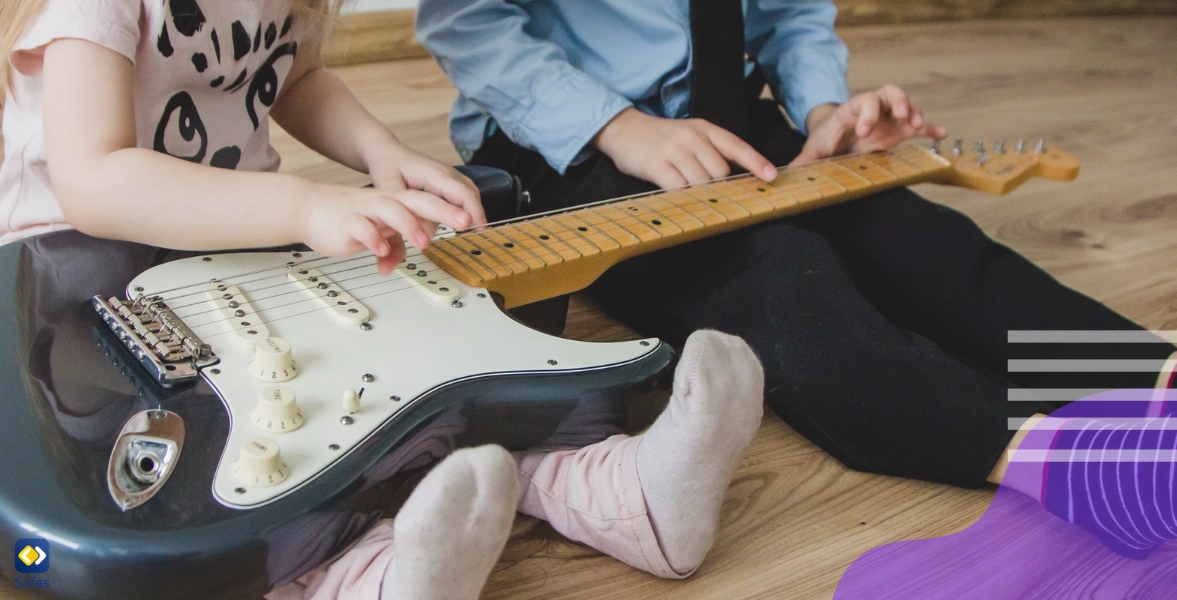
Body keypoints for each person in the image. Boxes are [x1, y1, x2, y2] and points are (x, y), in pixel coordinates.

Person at [0, 1, 768, 598]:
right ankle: (368, 579)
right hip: (84, 297)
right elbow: (92, 177)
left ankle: (628, 496)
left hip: (231, 260)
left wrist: (381, 153)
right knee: (256, 467)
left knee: (408, 368)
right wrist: (304, 208)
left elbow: (296, 79)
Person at [415, 0, 1177, 559]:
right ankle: (1064, 463)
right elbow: (463, 20)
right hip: (571, 140)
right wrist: (620, 130)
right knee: (784, 282)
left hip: (729, 115)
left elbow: (792, 15)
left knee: (926, 242)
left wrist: (827, 112)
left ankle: (1155, 378)